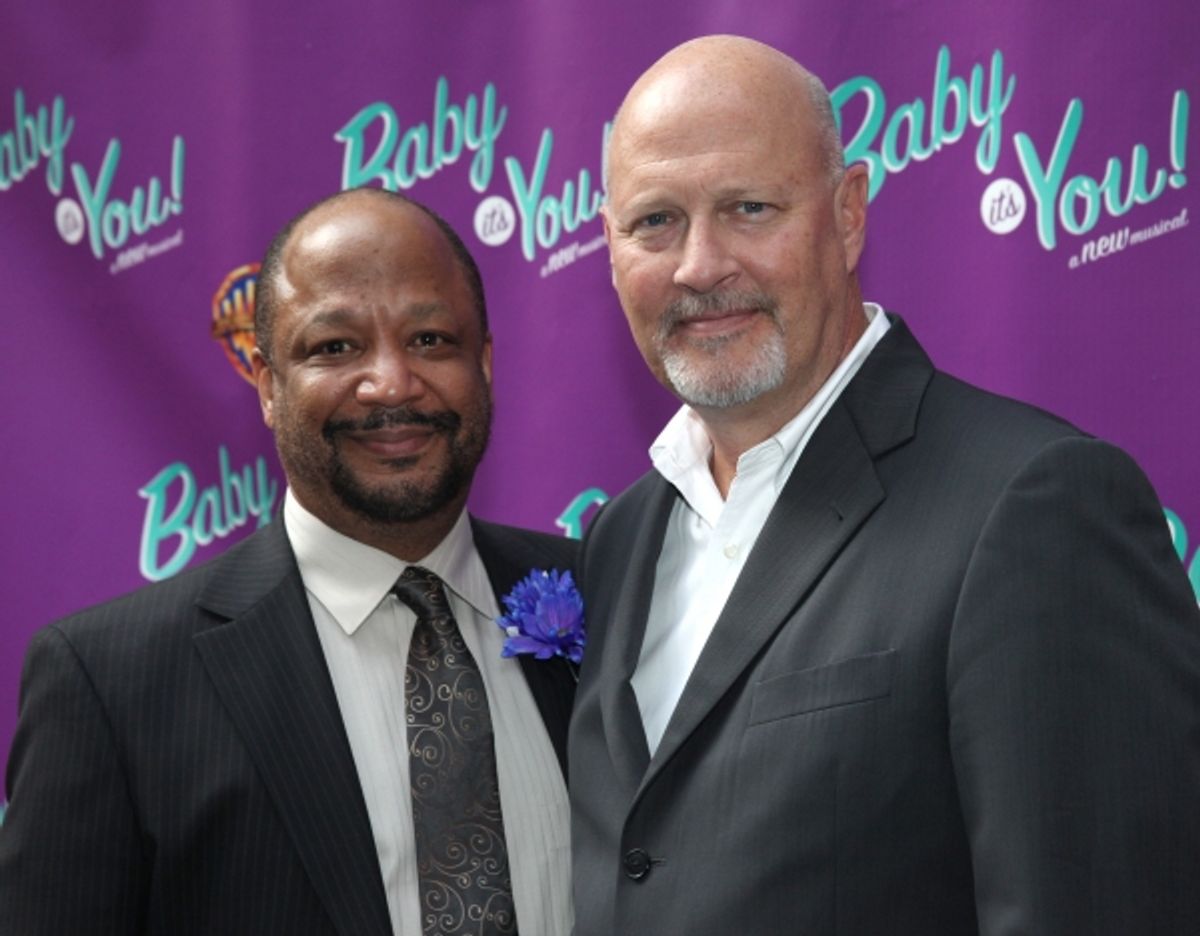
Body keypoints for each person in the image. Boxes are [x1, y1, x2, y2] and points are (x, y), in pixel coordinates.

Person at [569, 34, 1200, 935]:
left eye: (749, 208)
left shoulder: (1034, 507)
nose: (700, 265)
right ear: (610, 246)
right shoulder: (619, 540)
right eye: (655, 222)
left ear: (850, 212)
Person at [0, 188, 576, 936]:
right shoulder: (109, 683)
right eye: (335, 347)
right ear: (269, 386)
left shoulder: (609, 596)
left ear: (486, 363)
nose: (392, 383)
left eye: (431, 339)